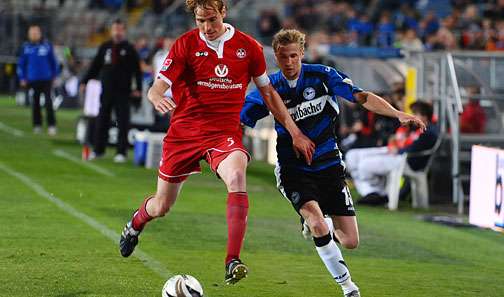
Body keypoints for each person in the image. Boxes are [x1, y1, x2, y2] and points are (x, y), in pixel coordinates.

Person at [118, 0, 314, 286]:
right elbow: (158, 86)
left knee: (237, 175)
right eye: (200, 21)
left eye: (211, 19)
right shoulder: (185, 44)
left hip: (224, 133)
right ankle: (135, 225)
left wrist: (295, 132)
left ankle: (232, 260)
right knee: (161, 206)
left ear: (224, 13)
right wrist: (156, 96)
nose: (206, 27)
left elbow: (269, 94)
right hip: (184, 133)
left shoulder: (249, 48)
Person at [240, 29, 426, 297]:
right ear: (276, 58)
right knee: (318, 224)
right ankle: (348, 287)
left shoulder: (323, 76)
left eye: (294, 56)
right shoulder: (268, 88)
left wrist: (397, 113)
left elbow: (361, 97)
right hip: (293, 167)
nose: (289, 62)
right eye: (283, 57)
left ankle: (318, 221)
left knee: (350, 241)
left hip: (328, 164)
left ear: (302, 54)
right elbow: (240, 119)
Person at [346, 101, 438, 205]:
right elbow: (395, 137)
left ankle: (375, 193)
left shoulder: (429, 131)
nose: (413, 116)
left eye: (415, 113)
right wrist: (393, 140)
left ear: (424, 116)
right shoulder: (412, 126)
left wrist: (398, 150)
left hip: (406, 160)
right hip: (394, 152)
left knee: (364, 165)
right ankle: (373, 192)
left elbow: (413, 149)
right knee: (352, 156)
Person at [81, 19, 142, 163]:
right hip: (106, 90)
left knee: (122, 122)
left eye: (120, 29)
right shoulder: (105, 47)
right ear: (111, 30)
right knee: (102, 120)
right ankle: (98, 150)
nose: (117, 32)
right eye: (115, 29)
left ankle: (121, 152)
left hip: (123, 92)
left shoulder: (129, 49)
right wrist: (85, 81)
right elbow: (95, 66)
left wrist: (138, 88)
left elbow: (137, 71)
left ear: (124, 31)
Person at [17, 25, 59, 135]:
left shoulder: (47, 45)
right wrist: (22, 78)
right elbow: (21, 64)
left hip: (46, 79)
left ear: (40, 33)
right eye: (32, 33)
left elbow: (53, 62)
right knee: (35, 103)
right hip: (32, 80)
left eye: (36, 33)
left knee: (49, 102)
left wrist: (55, 75)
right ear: (29, 34)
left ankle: (52, 125)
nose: (34, 35)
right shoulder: (25, 47)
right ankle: (37, 125)